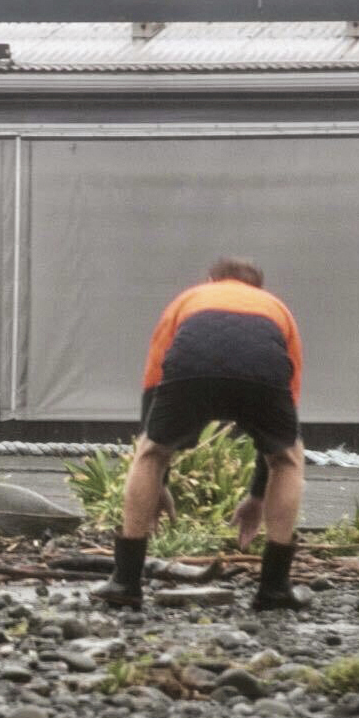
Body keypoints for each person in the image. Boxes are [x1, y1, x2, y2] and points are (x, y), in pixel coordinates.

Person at [90, 258, 309, 610]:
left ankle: (125, 581)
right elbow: (286, 418)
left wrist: (159, 473)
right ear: (258, 288)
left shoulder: (189, 299)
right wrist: (256, 497)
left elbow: (152, 384)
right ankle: (274, 587)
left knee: (151, 452)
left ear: (211, 280)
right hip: (262, 367)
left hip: (192, 365)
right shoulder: (276, 309)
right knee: (287, 458)